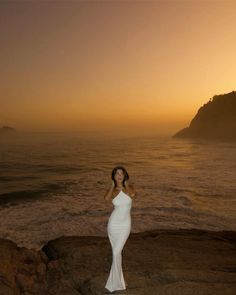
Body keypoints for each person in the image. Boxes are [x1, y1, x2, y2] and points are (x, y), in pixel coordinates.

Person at [104, 166, 136, 293]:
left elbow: (132, 195)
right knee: (116, 252)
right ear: (113, 176)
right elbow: (106, 199)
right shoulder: (112, 190)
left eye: (121, 173)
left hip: (125, 225)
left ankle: (116, 281)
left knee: (117, 251)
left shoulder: (130, 188)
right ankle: (119, 280)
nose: (119, 175)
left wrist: (126, 185)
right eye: (117, 173)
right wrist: (112, 186)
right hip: (113, 224)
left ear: (125, 175)